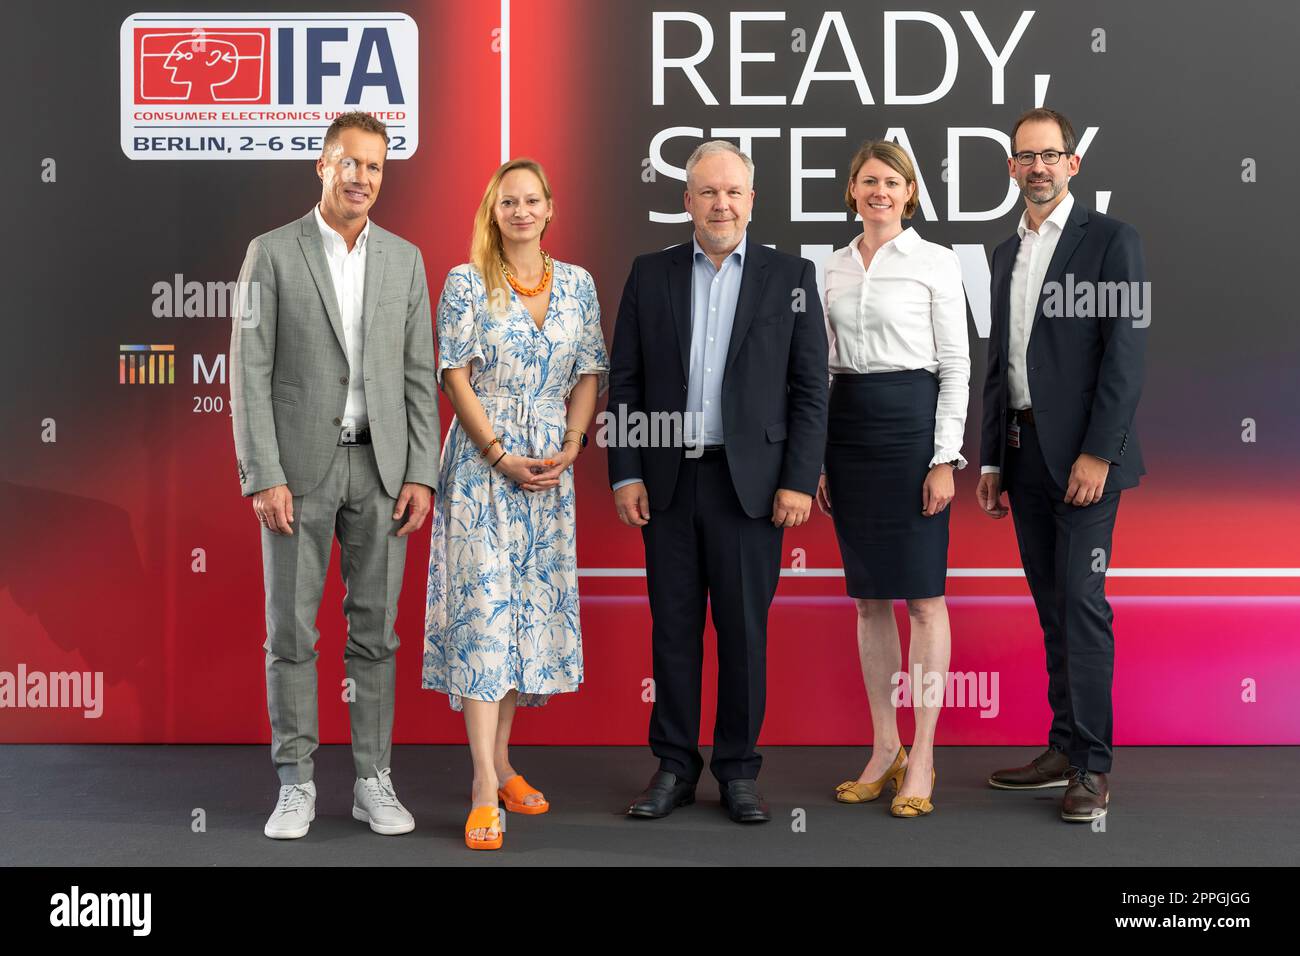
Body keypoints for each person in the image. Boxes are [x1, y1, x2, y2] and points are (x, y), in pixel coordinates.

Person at [229, 111, 439, 840]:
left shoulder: (405, 261)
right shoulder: (272, 252)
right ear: (322, 166)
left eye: (375, 167)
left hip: (382, 474)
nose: (362, 178)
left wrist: (422, 472)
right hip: (299, 475)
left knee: (376, 636)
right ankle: (295, 783)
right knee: (291, 634)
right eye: (349, 163)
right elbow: (249, 371)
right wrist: (263, 474)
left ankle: (373, 779)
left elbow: (418, 375)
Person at [608, 140, 828, 824]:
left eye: (733, 191)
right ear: (687, 201)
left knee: (742, 638)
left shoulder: (790, 275)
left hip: (753, 490)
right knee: (671, 635)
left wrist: (797, 480)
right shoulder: (651, 274)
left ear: (752, 200)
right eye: (708, 192)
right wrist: (626, 470)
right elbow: (626, 381)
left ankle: (737, 770)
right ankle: (674, 766)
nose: (721, 203)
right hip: (668, 485)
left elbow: (810, 389)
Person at [423, 158, 608, 850]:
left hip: (550, 473)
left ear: (550, 208)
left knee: (521, 617)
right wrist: (499, 452)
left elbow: (591, 372)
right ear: (492, 213)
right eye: (509, 202)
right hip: (482, 468)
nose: (522, 211)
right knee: (481, 619)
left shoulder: (579, 286)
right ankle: (479, 786)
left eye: (532, 200)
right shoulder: (466, 282)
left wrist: (571, 443)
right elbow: (454, 375)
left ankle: (502, 764)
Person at [978, 108, 1147, 823]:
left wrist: (1099, 452)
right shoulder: (1003, 252)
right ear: (1012, 167)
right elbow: (1001, 365)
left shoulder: (1112, 241)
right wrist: (989, 459)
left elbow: (1125, 357)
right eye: (1025, 156)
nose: (1038, 167)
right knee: (1052, 607)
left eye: (1050, 155)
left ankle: (1093, 768)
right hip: (1021, 456)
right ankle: (1063, 746)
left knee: (1081, 605)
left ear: (1073, 163)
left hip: (1086, 461)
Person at [816, 141, 970, 818]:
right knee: (869, 601)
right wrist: (815, 458)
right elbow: (818, 371)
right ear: (851, 190)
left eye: (892, 182)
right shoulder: (828, 267)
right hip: (847, 435)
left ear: (910, 193)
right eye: (868, 181)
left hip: (913, 433)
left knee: (924, 601)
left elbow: (956, 365)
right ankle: (885, 749)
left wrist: (944, 457)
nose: (880, 191)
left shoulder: (937, 262)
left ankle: (925, 754)